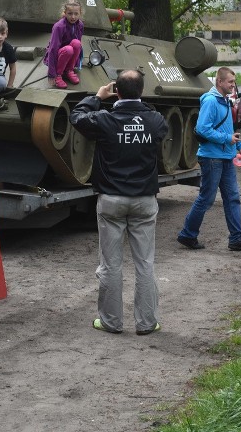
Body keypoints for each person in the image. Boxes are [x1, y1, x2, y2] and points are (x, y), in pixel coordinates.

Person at [70, 70, 168, 335]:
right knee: (145, 263)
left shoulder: (105, 119)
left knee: (111, 265)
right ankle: (147, 323)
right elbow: (159, 126)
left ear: (117, 92)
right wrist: (137, 105)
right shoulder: (155, 120)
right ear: (141, 91)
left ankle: (111, 322)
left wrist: (96, 97)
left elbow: (76, 117)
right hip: (144, 201)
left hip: (111, 200)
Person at [178, 67, 241, 252]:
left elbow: (228, 129)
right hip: (212, 158)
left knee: (232, 198)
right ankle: (188, 234)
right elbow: (202, 129)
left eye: (234, 81)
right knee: (206, 199)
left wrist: (239, 146)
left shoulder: (225, 101)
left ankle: (237, 238)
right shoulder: (211, 101)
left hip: (226, 157)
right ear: (219, 82)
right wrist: (226, 140)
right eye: (230, 82)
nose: (233, 85)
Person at [44, 0, 83, 89]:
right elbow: (53, 49)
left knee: (77, 43)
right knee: (69, 49)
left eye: (76, 14)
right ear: (65, 13)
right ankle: (58, 74)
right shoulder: (59, 27)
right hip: (58, 56)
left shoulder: (80, 25)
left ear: (80, 14)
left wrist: (77, 64)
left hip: (68, 57)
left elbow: (78, 47)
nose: (73, 17)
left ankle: (69, 70)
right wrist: (51, 74)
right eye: (70, 13)